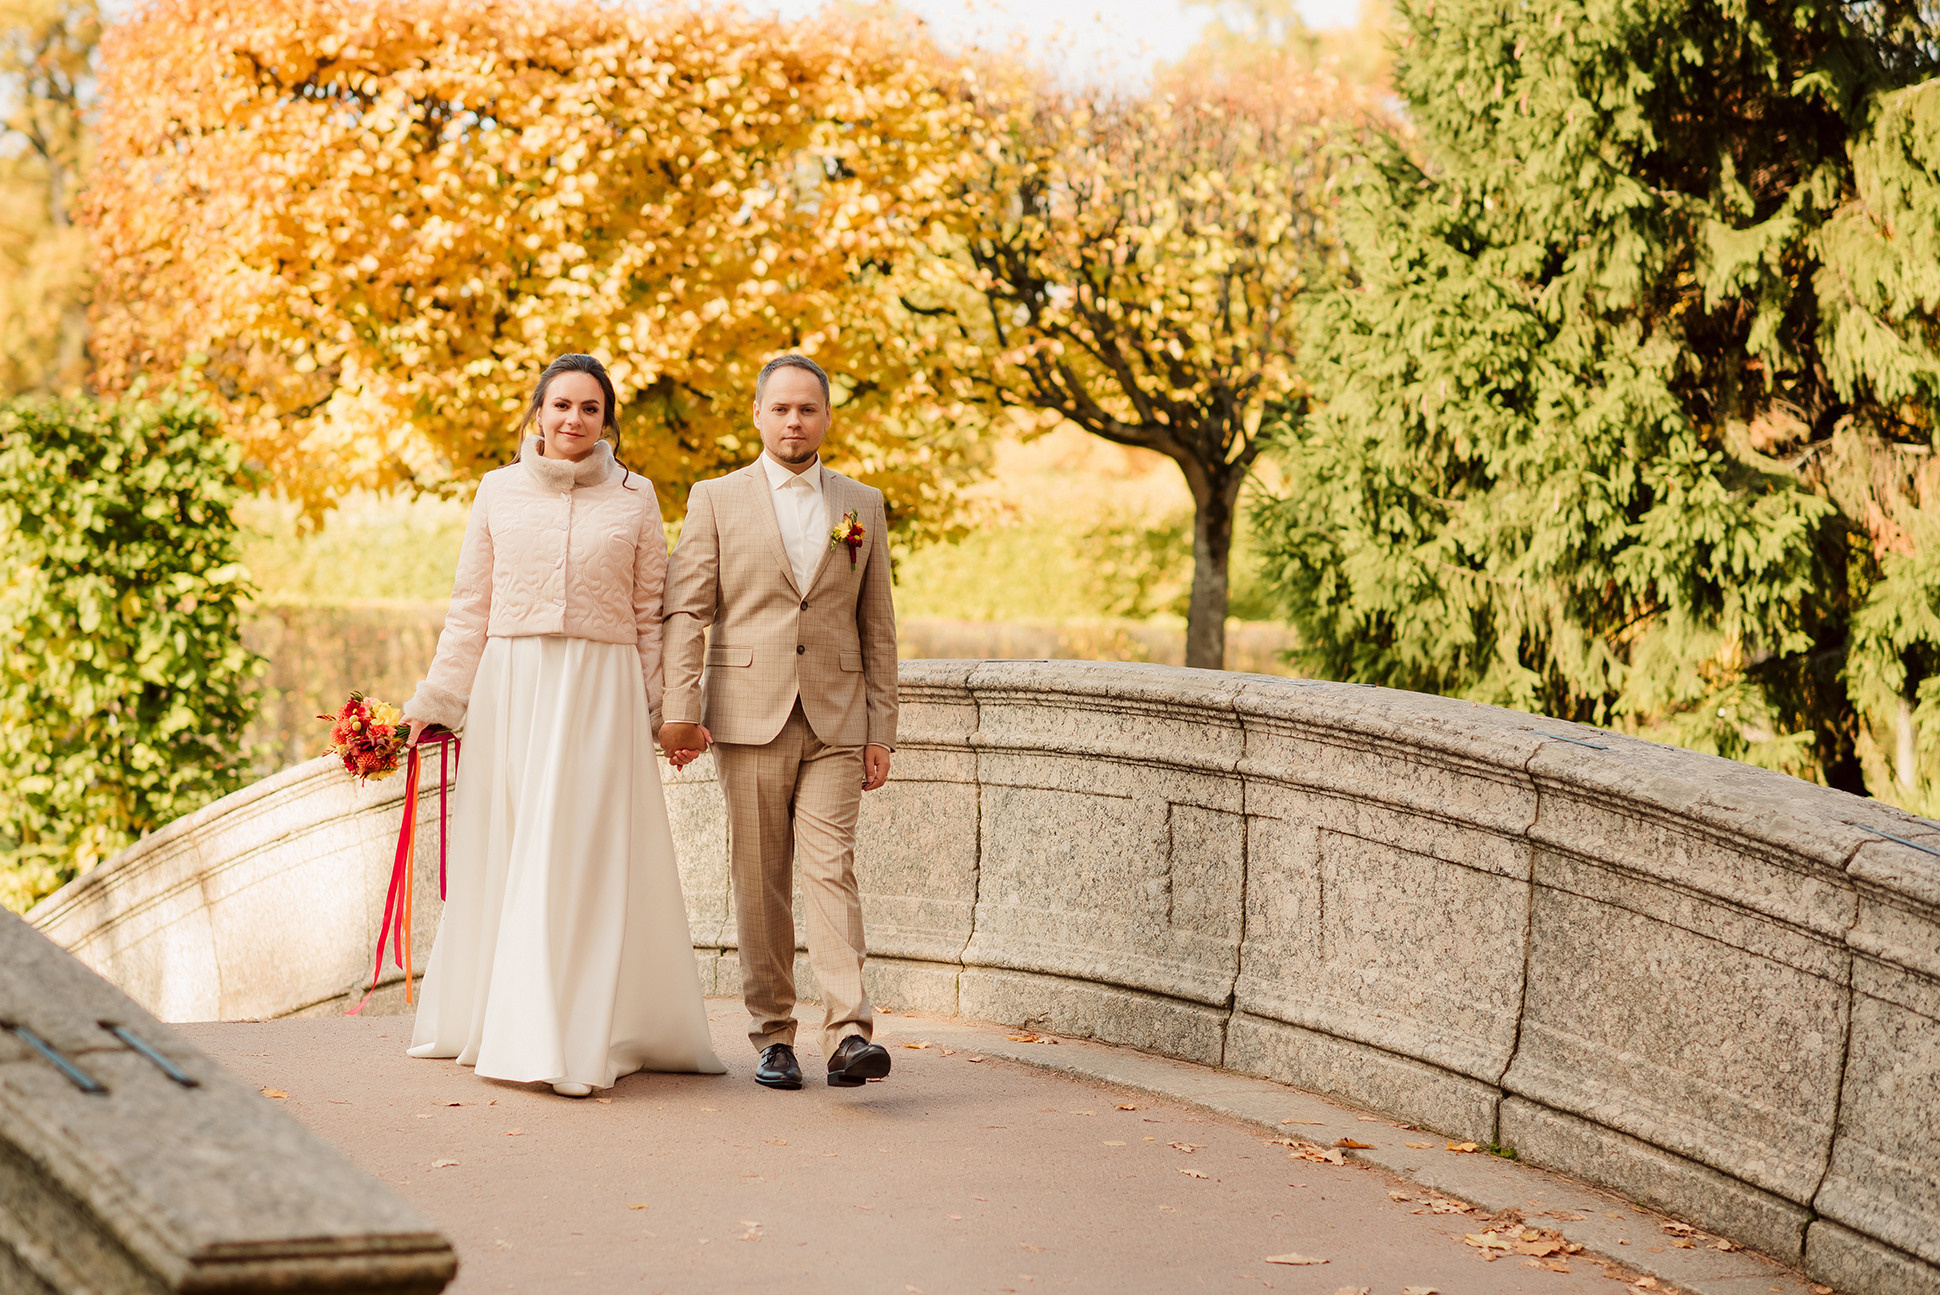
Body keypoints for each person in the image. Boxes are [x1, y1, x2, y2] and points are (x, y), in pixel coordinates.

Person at [399, 353, 725, 1097]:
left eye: (590, 408)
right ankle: (511, 1025)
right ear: (538, 412)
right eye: (561, 405)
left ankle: (579, 1033)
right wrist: (437, 700)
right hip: (513, 688)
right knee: (518, 848)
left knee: (579, 852)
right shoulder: (497, 490)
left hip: (600, 693)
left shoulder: (636, 496)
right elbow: (469, 608)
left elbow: (650, 617)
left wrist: (666, 717)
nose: (574, 419)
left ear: (607, 421)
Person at [659, 353, 898, 1091]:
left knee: (831, 868)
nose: (795, 421)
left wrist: (881, 728)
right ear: (758, 414)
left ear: (826, 417)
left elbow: (878, 623)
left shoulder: (862, 503)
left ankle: (849, 1032)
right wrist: (679, 711)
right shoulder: (715, 498)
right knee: (760, 877)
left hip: (837, 718)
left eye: (808, 409)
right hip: (747, 714)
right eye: (782, 408)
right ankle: (773, 1035)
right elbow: (687, 611)